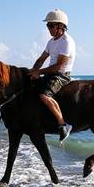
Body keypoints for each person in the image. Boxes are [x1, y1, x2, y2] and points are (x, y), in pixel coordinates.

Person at [27, 9, 76, 142]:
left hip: (61, 75)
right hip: (50, 73)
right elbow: (41, 59)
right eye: (48, 25)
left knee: (44, 95)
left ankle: (63, 124)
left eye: (51, 25)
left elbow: (59, 66)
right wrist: (33, 71)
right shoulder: (51, 41)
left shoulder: (66, 42)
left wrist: (39, 72)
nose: (48, 28)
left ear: (61, 26)